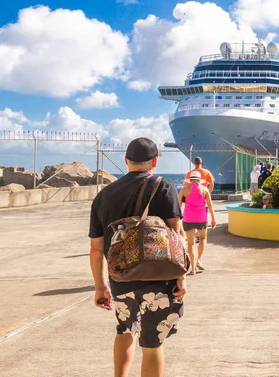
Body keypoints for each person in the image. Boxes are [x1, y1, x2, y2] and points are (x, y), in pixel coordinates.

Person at [89, 137, 186, 377]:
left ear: (126, 161)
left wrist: (101, 286)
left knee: (124, 330)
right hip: (160, 279)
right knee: (152, 346)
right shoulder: (164, 186)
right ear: (154, 161)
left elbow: (96, 248)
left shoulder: (104, 195)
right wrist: (182, 279)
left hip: (121, 277)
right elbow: (178, 235)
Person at [178, 172, 217, 274]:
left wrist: (177, 220)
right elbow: (210, 205)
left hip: (188, 218)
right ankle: (199, 259)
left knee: (190, 243)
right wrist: (213, 218)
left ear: (190, 180)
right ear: (200, 180)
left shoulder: (184, 190)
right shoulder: (205, 190)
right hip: (201, 217)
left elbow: (178, 206)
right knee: (203, 238)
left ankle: (193, 268)